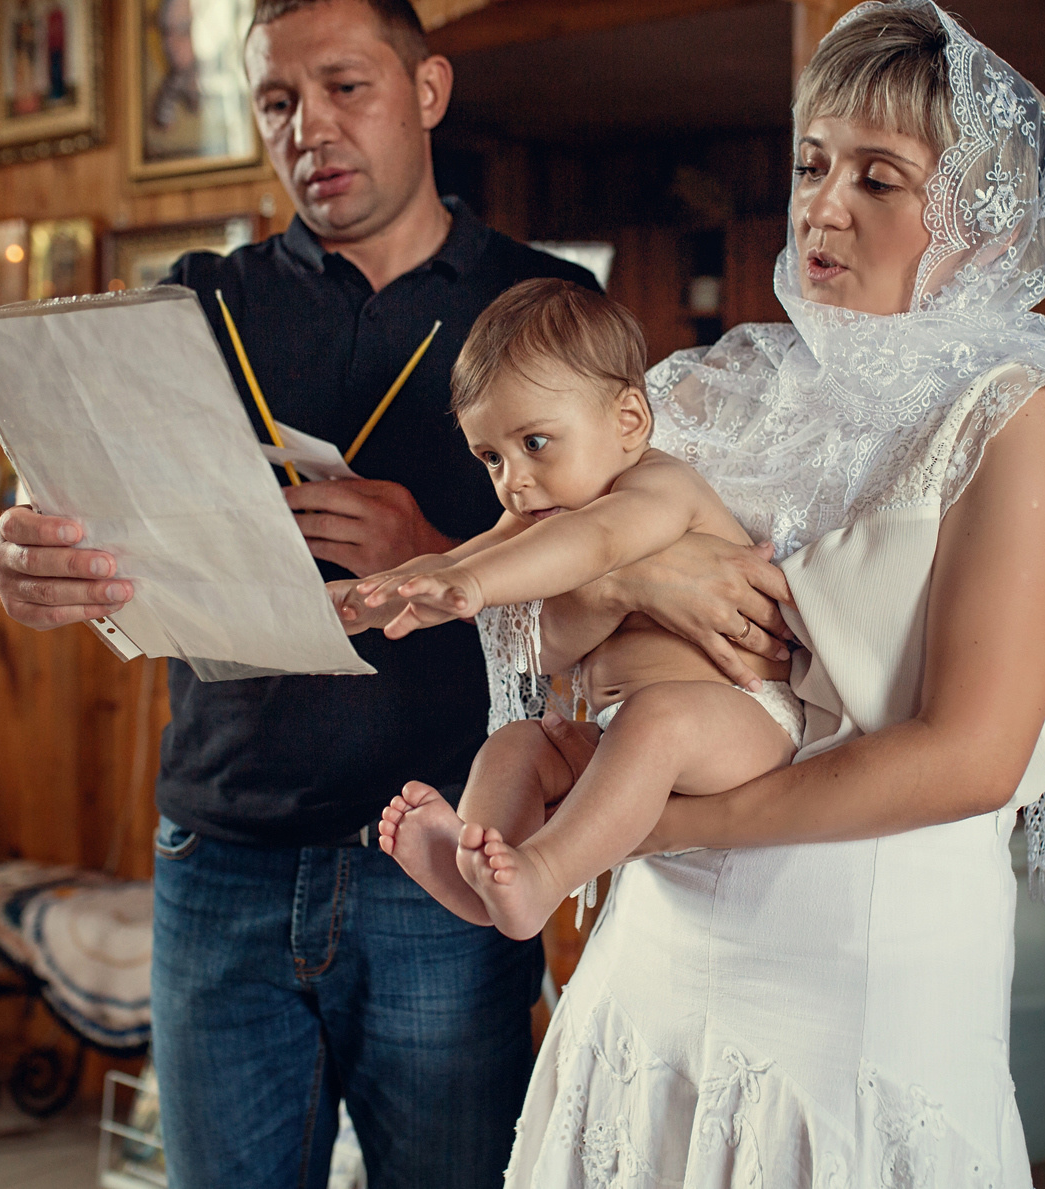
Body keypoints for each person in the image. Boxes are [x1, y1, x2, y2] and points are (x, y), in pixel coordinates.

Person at [496, 0, 1045, 1185]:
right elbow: (545, 628)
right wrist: (645, 566)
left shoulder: (1013, 417)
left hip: (850, 983)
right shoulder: (710, 391)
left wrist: (667, 818)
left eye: (878, 178)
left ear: (974, 221)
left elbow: (970, 754)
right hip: (649, 965)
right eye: (813, 164)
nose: (824, 204)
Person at [0, 0, 598, 1189]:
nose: (305, 127)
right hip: (218, 849)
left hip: (447, 853)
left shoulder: (545, 305)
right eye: (274, 101)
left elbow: (612, 602)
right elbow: (90, 526)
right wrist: (27, 561)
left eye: (342, 87)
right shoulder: (192, 308)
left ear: (426, 89)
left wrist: (437, 554)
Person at [332, 280, 802, 940]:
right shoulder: (537, 507)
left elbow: (596, 543)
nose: (513, 481)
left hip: (739, 724)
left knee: (656, 717)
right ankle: (479, 876)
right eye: (490, 457)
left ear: (628, 421)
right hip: (617, 742)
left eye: (534, 443)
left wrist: (473, 582)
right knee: (521, 741)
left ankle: (543, 875)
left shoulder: (658, 485)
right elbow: (465, 578)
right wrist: (358, 602)